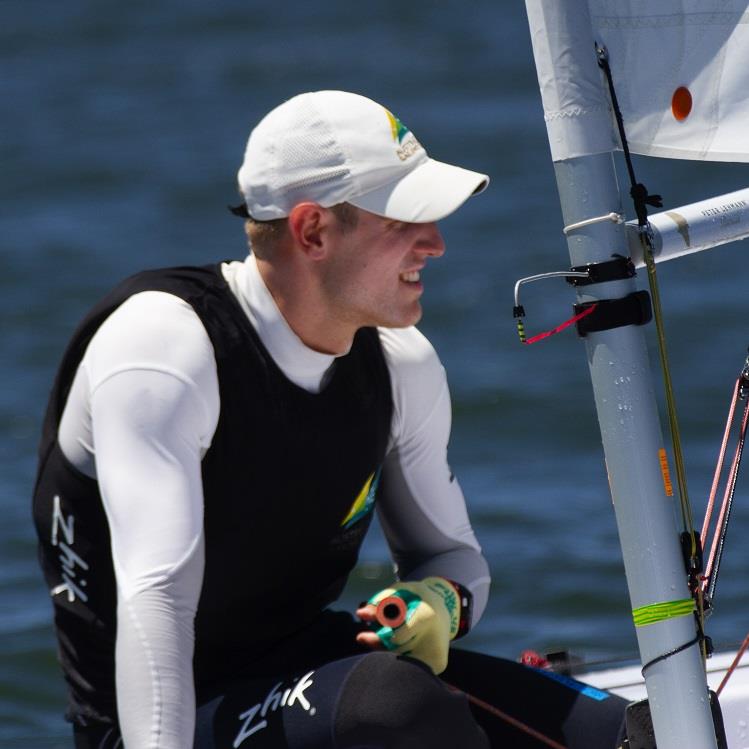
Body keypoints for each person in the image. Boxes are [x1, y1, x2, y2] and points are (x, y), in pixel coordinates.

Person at [34, 90, 629, 749]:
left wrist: (441, 601)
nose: (434, 243)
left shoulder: (402, 365)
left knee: (642, 730)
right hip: (156, 722)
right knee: (396, 706)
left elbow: (453, 558)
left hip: (316, 677)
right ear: (312, 230)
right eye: (405, 218)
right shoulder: (162, 351)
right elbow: (159, 602)